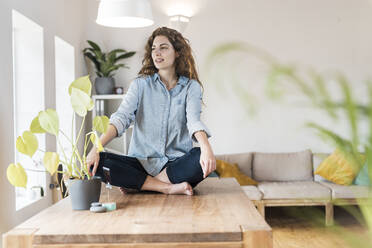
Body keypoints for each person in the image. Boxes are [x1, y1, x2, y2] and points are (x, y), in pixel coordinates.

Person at [86, 27, 216, 196]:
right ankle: (166, 188)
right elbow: (122, 118)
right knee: (98, 164)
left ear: (177, 52)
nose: (157, 53)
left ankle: (142, 184)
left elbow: (193, 121)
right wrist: (96, 148)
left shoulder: (191, 87)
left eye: (163, 47)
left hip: (173, 166)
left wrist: (206, 147)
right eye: (154, 49)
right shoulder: (140, 84)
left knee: (199, 157)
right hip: (140, 163)